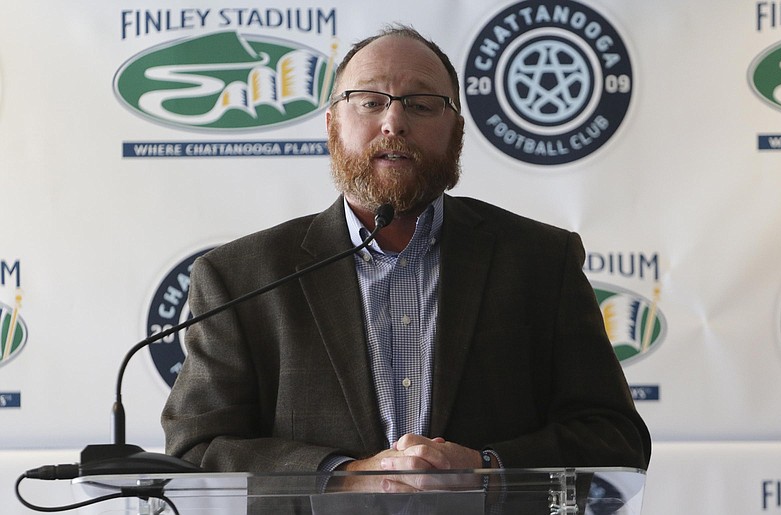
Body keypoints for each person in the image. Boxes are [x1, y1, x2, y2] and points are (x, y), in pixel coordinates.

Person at [161, 24, 651, 477]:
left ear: (457, 133)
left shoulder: (540, 261)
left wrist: (485, 467)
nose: (393, 122)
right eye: (370, 101)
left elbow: (614, 437)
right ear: (332, 126)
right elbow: (196, 450)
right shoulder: (242, 278)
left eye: (420, 104)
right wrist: (342, 477)